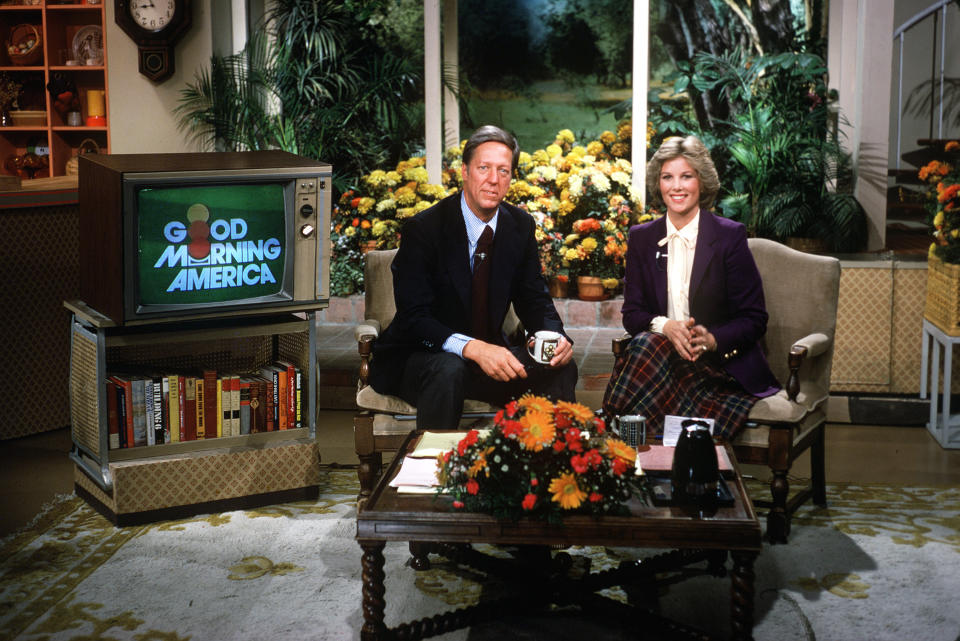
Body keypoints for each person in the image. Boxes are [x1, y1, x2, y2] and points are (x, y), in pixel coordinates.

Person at [368, 125, 578, 428]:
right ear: (465, 172)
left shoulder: (519, 226)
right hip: (422, 356)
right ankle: (437, 470)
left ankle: (544, 464)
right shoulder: (425, 229)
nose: (494, 180)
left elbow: (534, 299)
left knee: (560, 368)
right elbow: (415, 319)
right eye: (484, 168)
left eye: (503, 171)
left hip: (488, 360)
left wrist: (555, 337)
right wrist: (472, 347)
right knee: (448, 369)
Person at [603, 135, 779, 440]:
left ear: (702, 181)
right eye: (667, 177)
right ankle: (653, 461)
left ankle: (618, 438)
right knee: (647, 344)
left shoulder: (729, 236)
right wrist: (666, 326)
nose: (677, 187)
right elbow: (632, 314)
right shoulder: (642, 237)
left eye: (686, 176)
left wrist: (711, 339)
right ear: (658, 184)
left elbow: (754, 318)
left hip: (716, 367)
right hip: (661, 360)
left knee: (644, 350)